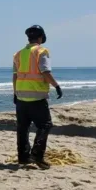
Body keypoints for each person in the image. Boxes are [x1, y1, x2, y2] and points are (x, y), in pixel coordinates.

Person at [12, 24, 63, 169]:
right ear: (41, 37)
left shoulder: (18, 54)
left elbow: (15, 77)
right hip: (37, 97)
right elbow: (45, 72)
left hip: (21, 97)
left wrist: (15, 93)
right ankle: (37, 154)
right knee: (45, 125)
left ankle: (23, 157)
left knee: (22, 128)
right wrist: (57, 86)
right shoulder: (42, 51)